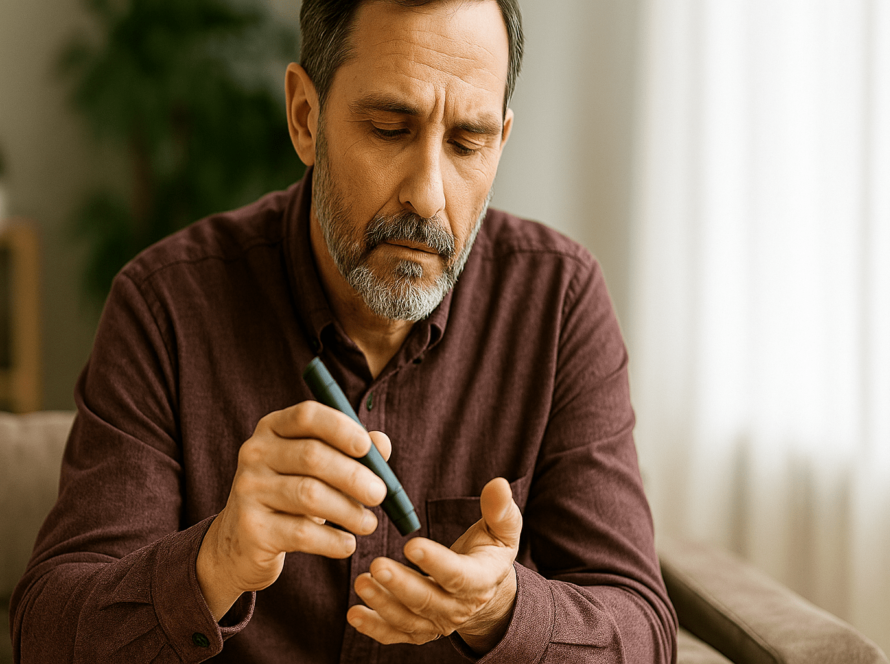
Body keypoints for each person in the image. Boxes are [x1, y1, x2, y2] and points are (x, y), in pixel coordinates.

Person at [11, 0, 678, 661]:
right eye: (390, 128)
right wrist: (217, 562)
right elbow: (45, 634)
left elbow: (643, 630)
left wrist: (499, 610)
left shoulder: (558, 303)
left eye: (467, 143)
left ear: (500, 141)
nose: (429, 195)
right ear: (306, 118)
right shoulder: (165, 307)